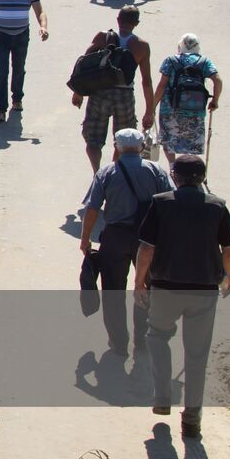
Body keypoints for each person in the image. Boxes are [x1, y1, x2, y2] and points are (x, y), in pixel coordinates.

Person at [134, 154, 230, 439]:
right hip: (204, 290)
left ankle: (163, 398)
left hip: (165, 286)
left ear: (175, 176)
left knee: (157, 337)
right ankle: (192, 420)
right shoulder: (217, 206)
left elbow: (146, 249)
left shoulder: (161, 203)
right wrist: (228, 276)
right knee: (196, 356)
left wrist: (139, 281)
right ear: (202, 178)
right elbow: (228, 249)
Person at [80, 128, 174, 356]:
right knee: (146, 288)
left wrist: (85, 239)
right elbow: (170, 204)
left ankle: (119, 342)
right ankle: (142, 339)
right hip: (149, 239)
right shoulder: (156, 171)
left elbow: (93, 209)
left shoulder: (106, 172)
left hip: (115, 237)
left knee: (113, 290)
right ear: (142, 147)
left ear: (117, 147)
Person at [71, 6, 155, 174]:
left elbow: (83, 64)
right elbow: (146, 81)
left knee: (93, 139)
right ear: (136, 23)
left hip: (100, 91)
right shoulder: (142, 46)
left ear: (118, 20)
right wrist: (149, 111)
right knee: (124, 138)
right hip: (124, 95)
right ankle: (114, 171)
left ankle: (97, 172)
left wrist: (78, 91)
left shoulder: (103, 37)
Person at [152, 33, 223, 163]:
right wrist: (215, 100)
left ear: (180, 46)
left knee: (169, 140)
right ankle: (190, 168)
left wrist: (152, 107)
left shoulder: (171, 60)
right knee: (192, 142)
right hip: (195, 109)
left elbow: (162, 85)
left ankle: (173, 167)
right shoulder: (204, 62)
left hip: (170, 109)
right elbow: (217, 80)